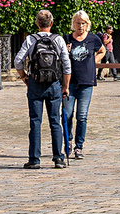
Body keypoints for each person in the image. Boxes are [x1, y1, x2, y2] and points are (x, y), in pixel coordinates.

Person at [12, 9, 69, 169]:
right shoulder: (58, 39)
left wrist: (24, 77)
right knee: (55, 122)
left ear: (37, 23)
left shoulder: (31, 39)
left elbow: (18, 61)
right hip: (54, 85)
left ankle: (35, 159)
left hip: (35, 84)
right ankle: (58, 158)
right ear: (51, 23)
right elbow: (66, 65)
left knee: (35, 122)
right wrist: (65, 86)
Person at [62, 11, 106, 159]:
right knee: (67, 115)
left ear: (87, 24)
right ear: (73, 23)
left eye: (83, 23)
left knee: (82, 116)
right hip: (70, 82)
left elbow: (102, 50)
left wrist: (94, 62)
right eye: (78, 23)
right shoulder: (67, 39)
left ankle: (79, 147)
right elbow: (60, 58)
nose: (80, 26)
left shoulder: (93, 39)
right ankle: (67, 141)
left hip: (87, 81)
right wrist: (65, 52)